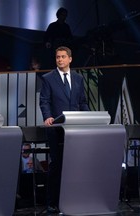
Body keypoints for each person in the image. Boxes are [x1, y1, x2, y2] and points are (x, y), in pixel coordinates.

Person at [39, 46, 89, 213]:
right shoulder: (47, 78)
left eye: (62, 57)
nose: (59, 59)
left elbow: (82, 102)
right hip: (56, 129)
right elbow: (44, 101)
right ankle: (52, 202)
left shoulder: (78, 78)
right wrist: (47, 116)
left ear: (70, 59)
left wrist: (89, 118)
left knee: (75, 165)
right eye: (57, 57)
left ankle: (74, 198)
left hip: (75, 130)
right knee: (57, 165)